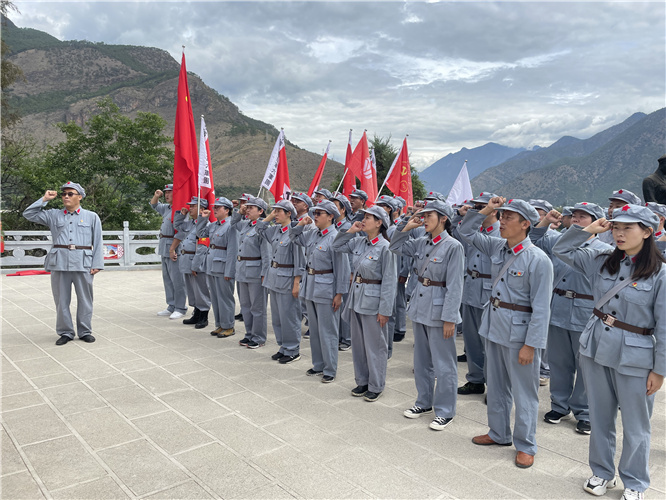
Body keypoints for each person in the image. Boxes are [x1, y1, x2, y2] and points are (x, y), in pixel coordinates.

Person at [553, 204, 665, 500]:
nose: (619, 233)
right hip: (596, 347)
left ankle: (635, 481)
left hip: (636, 355)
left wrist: (660, 370)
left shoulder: (660, 273)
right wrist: (589, 230)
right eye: (616, 227)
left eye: (628, 227)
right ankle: (602, 472)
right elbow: (561, 249)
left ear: (647, 231)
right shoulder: (601, 260)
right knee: (601, 417)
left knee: (636, 424)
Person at [460, 197, 553, 469]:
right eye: (501, 216)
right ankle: (498, 433)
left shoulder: (538, 259)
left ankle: (526, 445)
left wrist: (531, 345)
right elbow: (465, 232)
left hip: (519, 334)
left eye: (508, 217)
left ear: (525, 224)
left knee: (525, 393)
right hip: (495, 327)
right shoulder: (497, 247)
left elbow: (541, 309)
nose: (501, 221)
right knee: (497, 386)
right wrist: (486, 210)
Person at [531, 202, 611, 436]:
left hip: (585, 311)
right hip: (557, 308)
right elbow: (533, 241)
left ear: (597, 222)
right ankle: (559, 405)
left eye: (582, 216)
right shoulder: (558, 241)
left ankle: (584, 411)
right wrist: (545, 221)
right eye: (573, 216)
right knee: (558, 363)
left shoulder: (602, 250)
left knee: (585, 366)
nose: (575, 219)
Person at [390, 200, 465, 429]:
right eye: (422, 215)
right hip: (421, 308)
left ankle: (445, 410)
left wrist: (450, 318)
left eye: (429, 215)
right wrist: (406, 224)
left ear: (443, 218)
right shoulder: (422, 241)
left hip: (440, 312)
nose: (424, 219)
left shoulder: (453, 246)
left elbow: (455, 285)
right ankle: (423, 401)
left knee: (444, 365)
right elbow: (394, 246)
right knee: (421, 362)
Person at [23, 182, 103, 345]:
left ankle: (85, 331)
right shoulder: (53, 215)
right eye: (64, 194)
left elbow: (98, 241)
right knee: (61, 300)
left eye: (70, 194)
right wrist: (44, 199)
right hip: (59, 262)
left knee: (85, 299)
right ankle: (65, 332)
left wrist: (97, 263)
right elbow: (29, 214)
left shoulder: (91, 216)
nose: (66, 196)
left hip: (83, 262)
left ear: (79, 197)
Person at [333, 205, 397, 401]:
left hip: (373, 301)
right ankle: (362, 380)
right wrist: (351, 231)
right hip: (356, 298)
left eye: (369, 217)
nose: (364, 220)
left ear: (379, 223)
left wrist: (385, 310)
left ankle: (376, 385)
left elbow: (389, 281)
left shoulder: (386, 247)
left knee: (375, 346)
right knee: (359, 345)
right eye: (364, 216)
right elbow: (336, 246)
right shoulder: (359, 242)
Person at [290, 200, 350, 383]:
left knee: (328, 331)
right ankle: (318, 364)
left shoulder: (336, 237)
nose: (315, 216)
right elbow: (293, 237)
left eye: (320, 214)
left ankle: (330, 369)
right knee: (314, 330)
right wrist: (300, 224)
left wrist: (339, 294)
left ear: (331, 216)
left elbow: (343, 269)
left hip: (327, 289)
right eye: (315, 214)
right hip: (311, 286)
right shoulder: (313, 234)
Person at [453, 192, 500, 397]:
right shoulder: (473, 231)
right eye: (477, 207)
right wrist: (459, 214)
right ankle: (475, 379)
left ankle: (494, 386)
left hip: (490, 292)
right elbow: (457, 232)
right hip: (471, 287)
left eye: (483, 206)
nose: (478, 210)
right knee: (471, 341)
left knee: (489, 343)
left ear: (494, 209)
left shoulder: (501, 233)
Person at [256, 200, 304, 364]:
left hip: (288, 278)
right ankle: (283, 346)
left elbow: (300, 260)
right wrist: (270, 216)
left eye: (279, 211)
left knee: (289, 316)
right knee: (277, 317)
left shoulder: (294, 232)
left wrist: (297, 282)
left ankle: (292, 350)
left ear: (289, 213)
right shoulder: (275, 230)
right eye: (274, 211)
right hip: (274, 277)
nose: (275, 214)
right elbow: (259, 228)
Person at [230, 196, 270, 349]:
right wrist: (239, 212)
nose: (247, 209)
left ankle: (259, 337)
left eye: (251, 208)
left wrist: (265, 273)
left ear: (260, 211)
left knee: (257, 307)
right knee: (245, 305)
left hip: (255, 271)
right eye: (247, 207)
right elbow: (233, 223)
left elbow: (266, 254)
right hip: (242, 270)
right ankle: (249, 334)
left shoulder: (263, 228)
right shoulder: (246, 225)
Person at [197, 197, 238, 338]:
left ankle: (229, 326)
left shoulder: (231, 225)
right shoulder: (214, 225)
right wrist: (202, 219)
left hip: (223, 266)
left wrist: (229, 270)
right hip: (212, 265)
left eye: (218, 208)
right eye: (215, 207)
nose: (214, 210)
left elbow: (233, 250)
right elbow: (200, 234)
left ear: (227, 210)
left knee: (225, 297)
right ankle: (220, 324)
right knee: (215, 297)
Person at [174, 197, 212, 329]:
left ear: (202, 209)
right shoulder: (191, 223)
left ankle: (203, 315)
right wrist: (181, 214)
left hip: (196, 261)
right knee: (192, 290)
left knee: (201, 289)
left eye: (193, 206)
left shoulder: (206, 225)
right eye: (190, 206)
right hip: (186, 259)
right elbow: (177, 226)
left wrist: (196, 265)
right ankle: (196, 312)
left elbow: (202, 246)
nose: (190, 208)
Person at [151, 184, 188, 320]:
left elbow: (181, 232)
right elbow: (154, 206)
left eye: (170, 192)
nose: (167, 195)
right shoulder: (167, 208)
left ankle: (180, 307)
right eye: (165, 192)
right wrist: (156, 196)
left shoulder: (181, 210)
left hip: (174, 246)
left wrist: (173, 248)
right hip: (164, 246)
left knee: (177, 280)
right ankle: (171, 305)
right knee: (167, 279)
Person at [330, 192, 355, 351]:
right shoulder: (335, 226)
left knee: (344, 305)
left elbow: (352, 251)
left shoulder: (348, 227)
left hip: (346, 271)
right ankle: (338, 335)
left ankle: (346, 338)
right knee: (336, 305)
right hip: (334, 271)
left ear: (343, 210)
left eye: (335, 207)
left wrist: (351, 272)